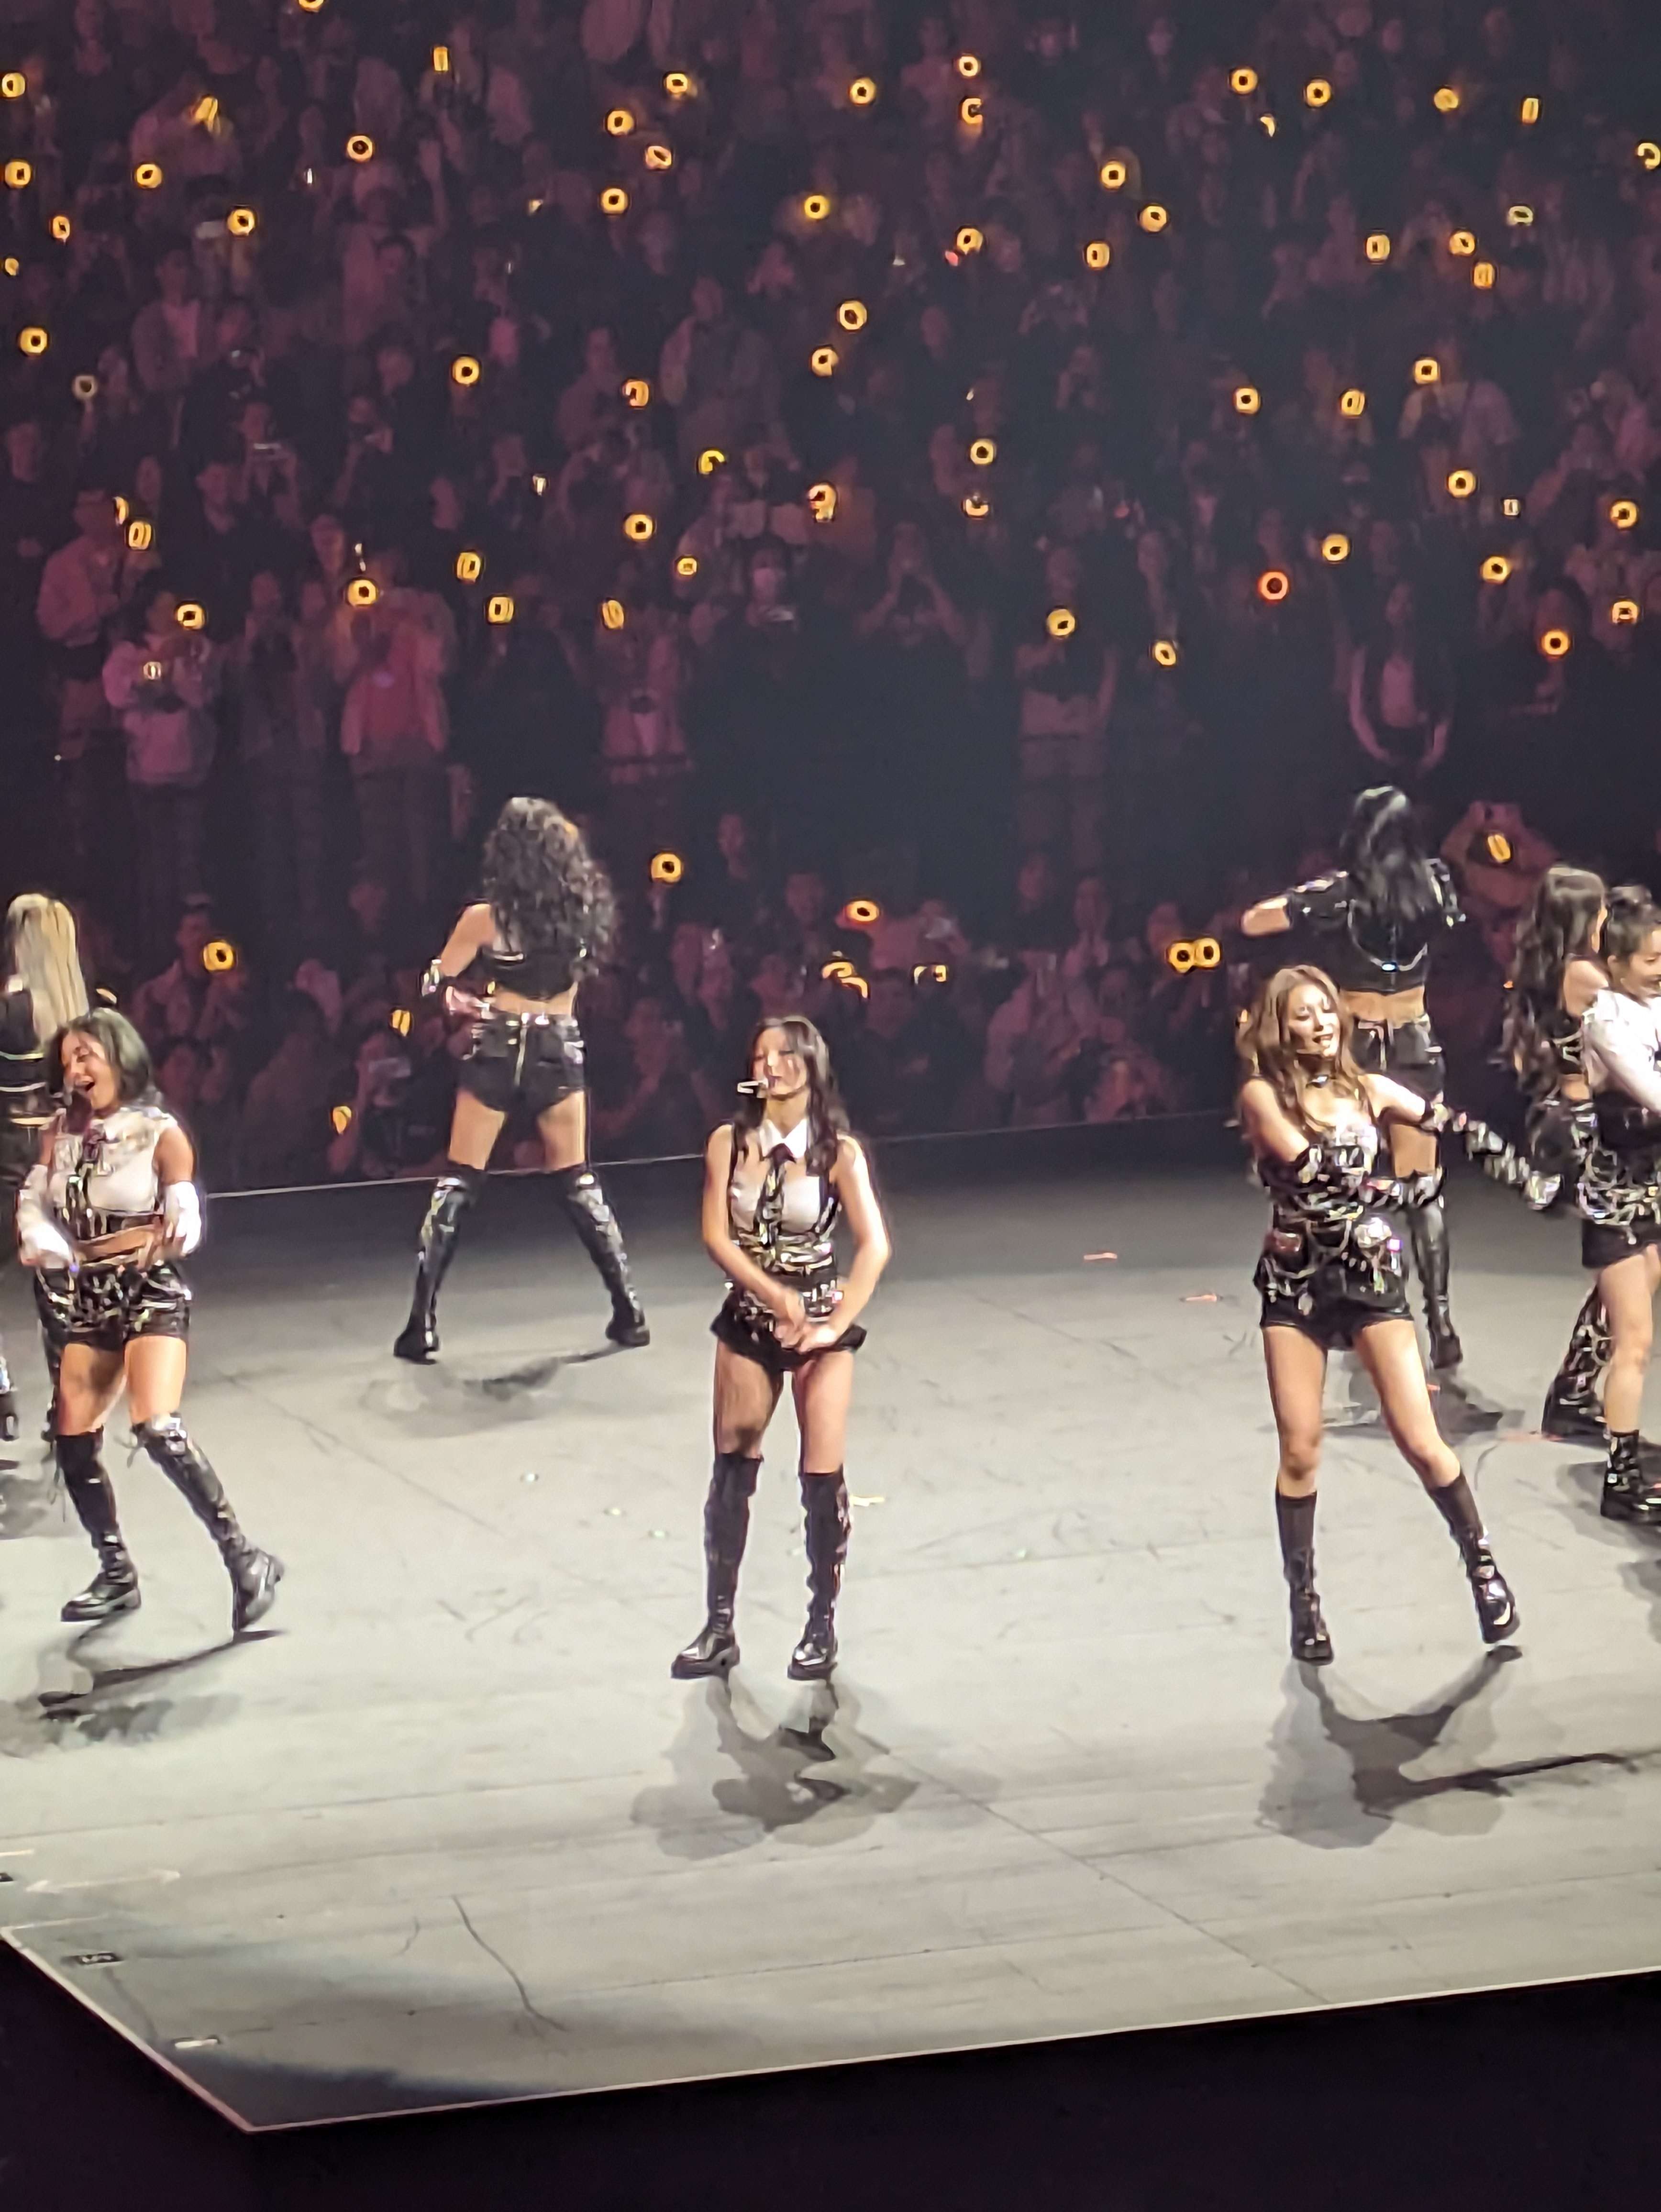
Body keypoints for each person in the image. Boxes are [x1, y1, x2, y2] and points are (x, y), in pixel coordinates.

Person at [1240, 967, 1521, 1664]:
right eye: (1303, 1015)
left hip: (1367, 1275)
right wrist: (1400, 1191)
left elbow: (1452, 1123)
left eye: (1326, 1011)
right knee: (1300, 1448)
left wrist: (1518, 1170)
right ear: (1281, 1027)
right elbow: (1315, 1173)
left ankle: (1483, 1567)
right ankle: (1304, 1600)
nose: (1319, 1024)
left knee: (1422, 1440)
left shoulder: (1369, 1089)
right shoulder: (1263, 1095)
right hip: (1298, 1280)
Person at [15, 1009, 282, 1630]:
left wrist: (181, 1224)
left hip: (147, 1291)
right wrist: (37, 1232)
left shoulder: (158, 1132)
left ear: (120, 1057)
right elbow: (32, 1197)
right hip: (88, 1297)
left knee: (157, 1426)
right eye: (69, 1058)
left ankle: (244, 1557)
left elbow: (185, 1211)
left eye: (87, 1055)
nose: (76, 1069)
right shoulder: (60, 1133)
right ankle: (116, 1572)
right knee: (73, 1440)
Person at [671, 1016, 890, 1683]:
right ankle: (719, 1624)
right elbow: (717, 1237)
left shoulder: (837, 1153)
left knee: (821, 1475)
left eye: (786, 1054)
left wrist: (830, 1324)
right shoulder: (729, 1144)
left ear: (811, 1065)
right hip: (752, 1317)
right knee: (732, 1464)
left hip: (818, 1317)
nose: (771, 1065)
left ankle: (821, 1624)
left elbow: (873, 1247)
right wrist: (772, 1295)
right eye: (761, 1054)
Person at [394, 797, 648, 1361]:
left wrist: (452, 996)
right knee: (576, 1179)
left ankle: (421, 1323)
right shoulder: (584, 914)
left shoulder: (485, 919)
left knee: (460, 1179)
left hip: (499, 1042)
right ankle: (628, 1310)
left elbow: (432, 980)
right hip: (557, 1044)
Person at [1242, 787, 1466, 1367]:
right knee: (1423, 1184)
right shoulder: (1436, 884)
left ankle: (1343, 1292)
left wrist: (1305, 899)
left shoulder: (1342, 893)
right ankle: (1439, 1315)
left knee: (1341, 1175)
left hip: (1354, 1048)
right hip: (1414, 1040)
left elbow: (1254, 921)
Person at [1501, 866, 1610, 1440]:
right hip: (1584, 1130)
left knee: (1633, 1268)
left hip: (1574, 1121)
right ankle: (1571, 1391)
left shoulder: (1553, 970)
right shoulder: (1584, 974)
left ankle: (1574, 1387)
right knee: (1630, 1266)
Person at [1573, 888, 1661, 1522]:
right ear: (1617, 963)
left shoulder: (1655, 1006)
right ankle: (1620, 1477)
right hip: (1616, 1196)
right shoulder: (1604, 1020)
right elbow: (1652, 1094)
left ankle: (1574, 1391)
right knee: (1634, 1339)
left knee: (1625, 1328)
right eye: (1651, 960)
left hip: (1655, 1186)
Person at [0, 895, 90, 1439]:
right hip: (68, 1158)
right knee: (56, 1288)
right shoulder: (84, 1012)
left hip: (12, 1156)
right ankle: (69, 1406)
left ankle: (0, 1390)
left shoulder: (12, 1008)